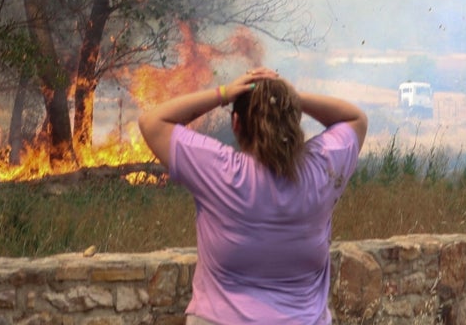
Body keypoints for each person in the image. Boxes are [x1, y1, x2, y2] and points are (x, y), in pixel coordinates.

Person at [137, 68, 367, 325]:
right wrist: (287, 97)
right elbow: (354, 119)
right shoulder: (320, 170)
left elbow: (152, 122)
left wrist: (223, 93)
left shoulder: (221, 171)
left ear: (236, 124)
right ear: (293, 120)